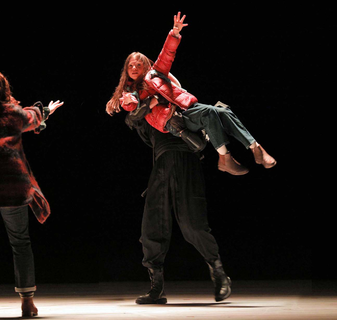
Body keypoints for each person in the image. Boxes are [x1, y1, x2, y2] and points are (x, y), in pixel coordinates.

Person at [106, 12, 276, 176]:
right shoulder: (131, 91)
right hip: (174, 119)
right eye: (131, 66)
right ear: (126, 70)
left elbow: (166, 55)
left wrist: (174, 33)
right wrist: (129, 101)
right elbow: (131, 105)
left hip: (187, 106)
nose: (134, 68)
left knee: (223, 112)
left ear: (145, 66)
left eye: (138, 65)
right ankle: (225, 157)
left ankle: (255, 148)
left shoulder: (155, 74)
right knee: (210, 113)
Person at [0, 70, 63, 317]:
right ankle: (27, 303)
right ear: (4, 89)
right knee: (20, 241)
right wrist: (46, 111)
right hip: (11, 184)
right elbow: (31, 118)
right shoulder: (13, 114)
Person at [124, 107, 232, 304]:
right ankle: (157, 288)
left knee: (193, 225)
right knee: (152, 227)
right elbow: (132, 120)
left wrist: (182, 128)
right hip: (161, 167)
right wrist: (142, 106)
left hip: (187, 164)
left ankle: (218, 273)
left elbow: (201, 143)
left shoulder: (186, 110)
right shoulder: (149, 114)